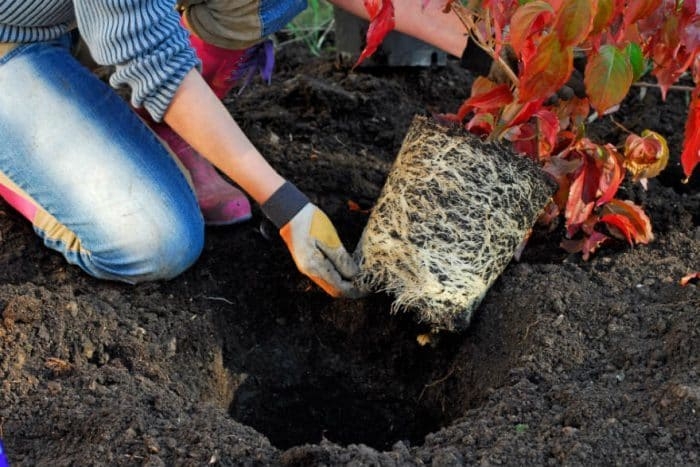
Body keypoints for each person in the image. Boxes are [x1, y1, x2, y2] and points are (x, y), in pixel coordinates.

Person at [0, 1, 468, 298]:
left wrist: (494, 51)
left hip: (67, 16)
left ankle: (176, 128)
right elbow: (154, 59)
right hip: (13, 40)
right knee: (155, 239)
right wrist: (287, 206)